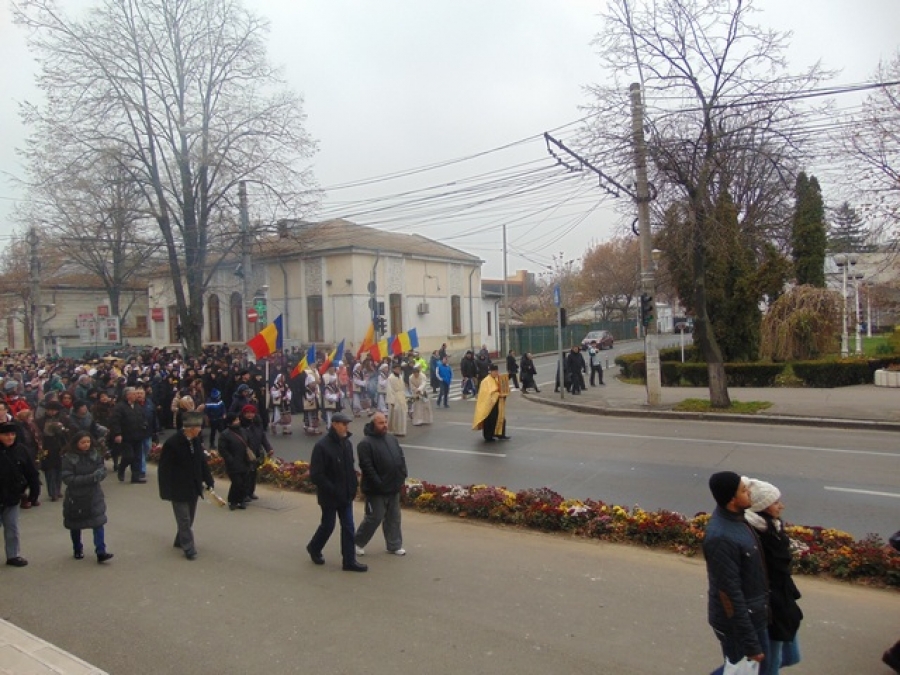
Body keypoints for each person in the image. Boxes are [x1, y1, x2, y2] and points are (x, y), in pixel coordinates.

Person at [703, 471, 769, 675]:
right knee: (738, 669)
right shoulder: (721, 537)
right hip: (738, 626)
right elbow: (730, 595)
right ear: (732, 499)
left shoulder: (738, 520)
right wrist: (750, 642)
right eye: (743, 490)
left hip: (754, 615)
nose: (749, 491)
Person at [745, 478, 802, 675]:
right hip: (771, 607)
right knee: (769, 665)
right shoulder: (754, 535)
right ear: (763, 507)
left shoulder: (772, 527)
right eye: (776, 503)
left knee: (791, 656)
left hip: (783, 601)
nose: (782, 506)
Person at [306, 411, 367, 572]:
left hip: (346, 495)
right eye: (343, 424)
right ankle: (314, 547)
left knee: (348, 527)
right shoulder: (322, 446)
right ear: (334, 424)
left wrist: (353, 486)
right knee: (328, 525)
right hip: (330, 496)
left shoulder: (346, 443)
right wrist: (333, 489)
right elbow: (317, 475)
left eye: (347, 424)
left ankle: (349, 561)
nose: (346, 427)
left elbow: (350, 468)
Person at [157, 411, 214, 561]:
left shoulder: (195, 441)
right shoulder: (172, 443)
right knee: (184, 519)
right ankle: (189, 547)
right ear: (190, 428)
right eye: (198, 427)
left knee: (190, 516)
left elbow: (202, 462)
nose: (200, 429)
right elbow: (164, 469)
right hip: (178, 487)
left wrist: (209, 480)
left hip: (193, 486)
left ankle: (180, 539)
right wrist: (165, 490)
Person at [354, 412, 408, 557]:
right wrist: (379, 483)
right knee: (374, 517)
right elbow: (367, 467)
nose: (384, 425)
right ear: (373, 424)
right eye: (381, 423)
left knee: (394, 517)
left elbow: (400, 458)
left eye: (385, 422)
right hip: (376, 490)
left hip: (393, 487)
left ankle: (394, 545)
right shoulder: (365, 443)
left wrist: (403, 474)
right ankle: (358, 542)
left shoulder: (391, 439)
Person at [61, 431, 113, 563]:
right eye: (83, 442)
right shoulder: (68, 458)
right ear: (76, 443)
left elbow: (101, 469)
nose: (86, 445)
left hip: (94, 495)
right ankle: (77, 548)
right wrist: (91, 478)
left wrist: (100, 474)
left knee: (98, 522)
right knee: (75, 524)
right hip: (76, 496)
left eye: (88, 442)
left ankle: (101, 551)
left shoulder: (95, 454)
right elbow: (68, 478)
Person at [0, 420, 39, 567]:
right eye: (6, 435)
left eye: (12, 434)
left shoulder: (21, 450)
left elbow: (31, 472)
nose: (10, 438)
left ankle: (13, 555)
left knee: (12, 528)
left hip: (12, 495)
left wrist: (34, 492)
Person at [217, 413, 252, 510]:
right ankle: (232, 501)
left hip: (244, 461)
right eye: (236, 420)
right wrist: (230, 458)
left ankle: (241, 500)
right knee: (237, 482)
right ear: (230, 422)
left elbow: (248, 444)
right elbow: (222, 449)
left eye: (238, 419)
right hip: (233, 463)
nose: (238, 421)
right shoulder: (225, 434)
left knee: (244, 482)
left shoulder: (243, 431)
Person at [472, 364, 509, 443]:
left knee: (500, 418)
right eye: (494, 371)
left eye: (497, 371)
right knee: (489, 420)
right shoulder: (485, 381)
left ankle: (500, 434)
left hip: (497, 402)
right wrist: (498, 394)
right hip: (489, 405)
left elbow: (501, 388)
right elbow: (487, 394)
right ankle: (488, 436)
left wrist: (504, 392)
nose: (496, 373)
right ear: (490, 371)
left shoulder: (497, 379)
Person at [385, 362, 408, 437]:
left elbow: (402, 387)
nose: (398, 370)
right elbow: (389, 389)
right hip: (395, 397)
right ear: (393, 369)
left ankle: (402, 430)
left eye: (399, 369)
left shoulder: (400, 376)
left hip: (401, 396)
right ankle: (396, 430)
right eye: (397, 369)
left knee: (403, 413)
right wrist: (391, 400)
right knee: (396, 414)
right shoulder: (390, 378)